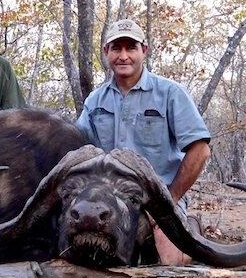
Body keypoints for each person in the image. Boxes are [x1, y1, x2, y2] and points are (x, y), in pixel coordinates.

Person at [76, 19, 211, 265]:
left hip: (157, 201)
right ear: (106, 52)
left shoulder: (170, 93)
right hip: (108, 202)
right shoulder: (94, 101)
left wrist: (168, 202)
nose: (123, 56)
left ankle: (188, 229)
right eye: (116, 48)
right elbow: (78, 151)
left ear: (144, 51)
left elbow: (199, 150)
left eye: (131, 48)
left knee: (167, 265)